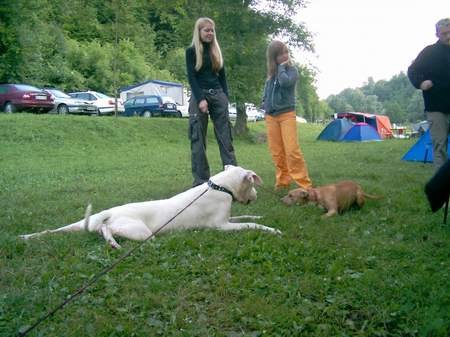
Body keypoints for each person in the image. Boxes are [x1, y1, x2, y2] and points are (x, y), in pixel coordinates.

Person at [186, 17, 237, 187]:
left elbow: (223, 77)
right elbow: (191, 77)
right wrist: (201, 99)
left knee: (225, 137)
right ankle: (201, 182)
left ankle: (232, 177)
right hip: (199, 95)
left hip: (218, 95)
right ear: (199, 32)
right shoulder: (191, 51)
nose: (209, 33)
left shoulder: (216, 51)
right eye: (206, 30)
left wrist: (225, 97)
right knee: (198, 139)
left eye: (212, 30)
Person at [261, 40, 312, 191]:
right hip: (271, 117)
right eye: (280, 54)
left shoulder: (292, 71)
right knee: (277, 152)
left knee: (292, 151)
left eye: (286, 52)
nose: (284, 56)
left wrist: (281, 67)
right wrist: (264, 103)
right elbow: (266, 92)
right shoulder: (271, 75)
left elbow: (285, 83)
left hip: (287, 115)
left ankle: (304, 185)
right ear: (273, 57)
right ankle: (283, 181)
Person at [407, 18, 450, 170]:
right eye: (444, 33)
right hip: (436, 107)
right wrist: (421, 83)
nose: (448, 36)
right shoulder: (429, 52)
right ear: (437, 34)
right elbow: (412, 70)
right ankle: (442, 187)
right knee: (440, 146)